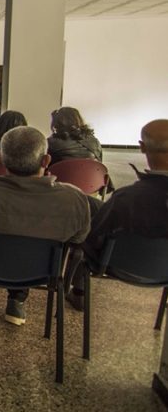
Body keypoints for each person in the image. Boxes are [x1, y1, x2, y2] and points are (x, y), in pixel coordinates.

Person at [0, 126, 90, 326]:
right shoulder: (74, 199)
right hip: (43, 273)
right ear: (46, 161)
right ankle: (17, 301)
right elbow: (79, 239)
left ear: (1, 158)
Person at [66, 119, 168, 310]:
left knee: (83, 230)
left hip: (117, 266)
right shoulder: (127, 199)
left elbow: (94, 236)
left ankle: (78, 291)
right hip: (163, 270)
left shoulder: (126, 199)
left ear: (142, 147)